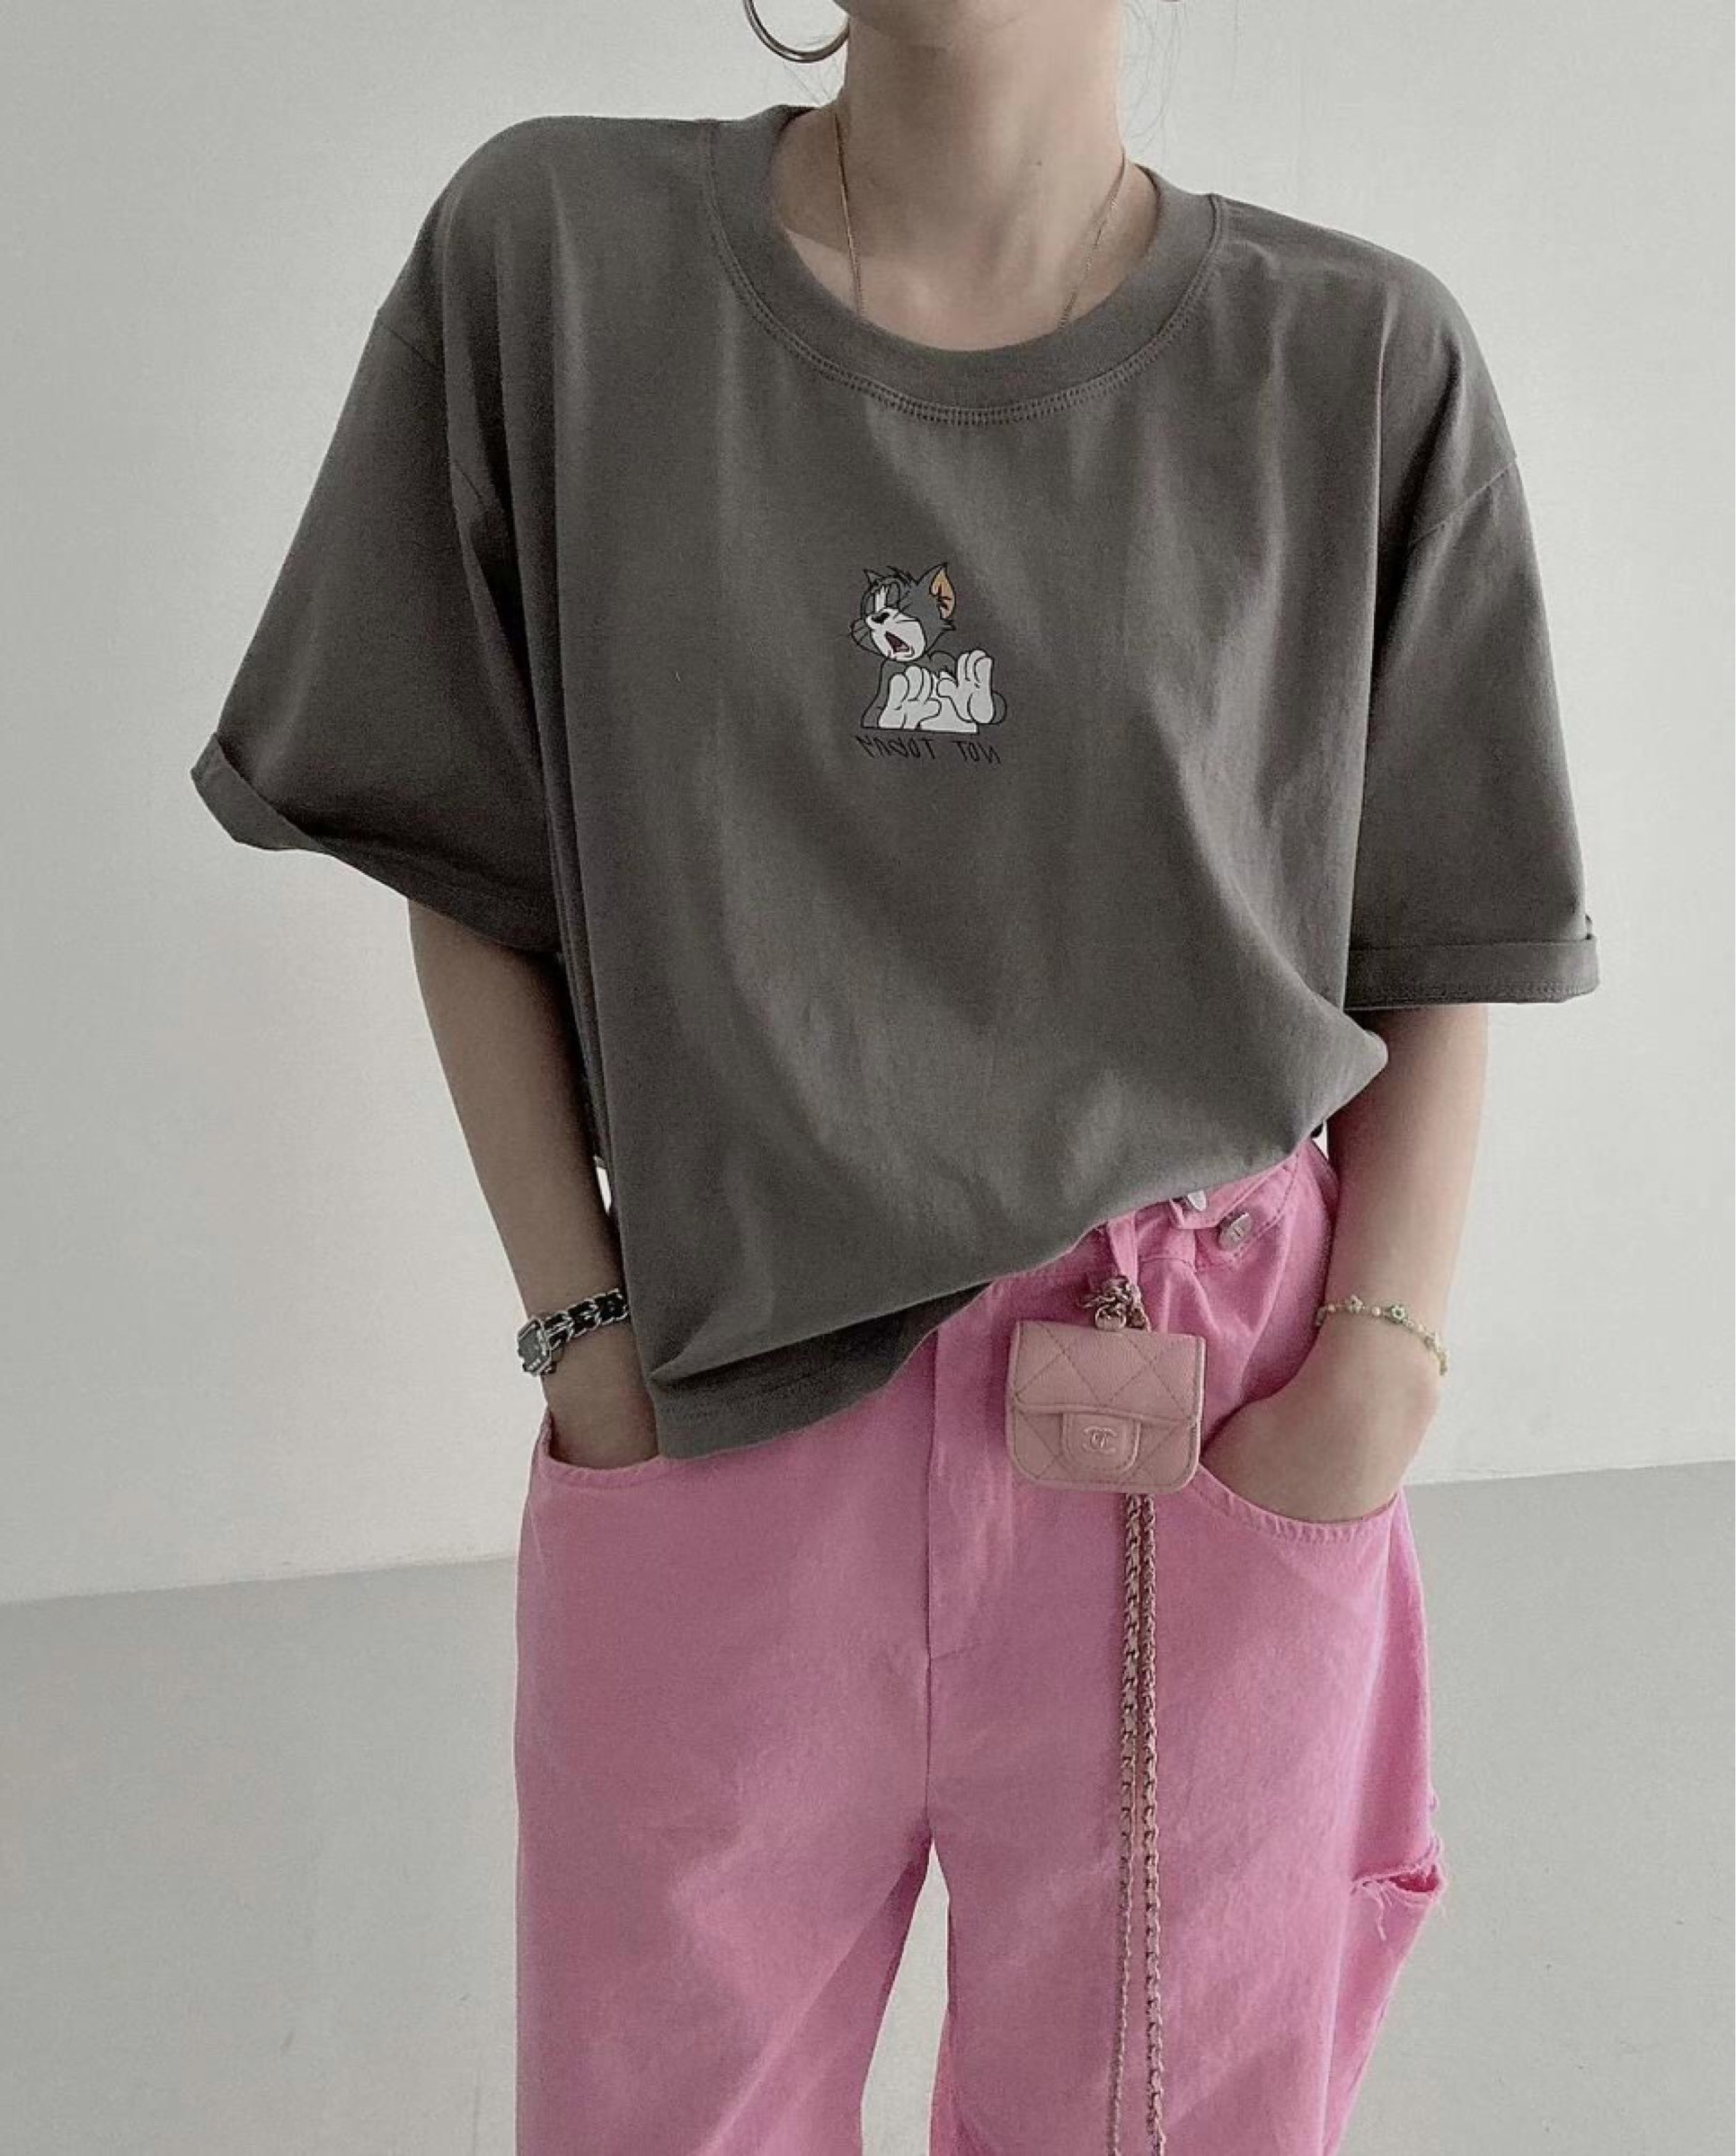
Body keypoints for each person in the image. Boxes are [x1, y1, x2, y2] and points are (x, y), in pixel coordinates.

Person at [189, 4, 1601, 2151]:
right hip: (722, 1410)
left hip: (1199, 1424)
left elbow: (1439, 941)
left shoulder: (1356, 359)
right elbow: (452, 839)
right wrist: (583, 1337)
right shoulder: (556, 260)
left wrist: (1379, 1377)